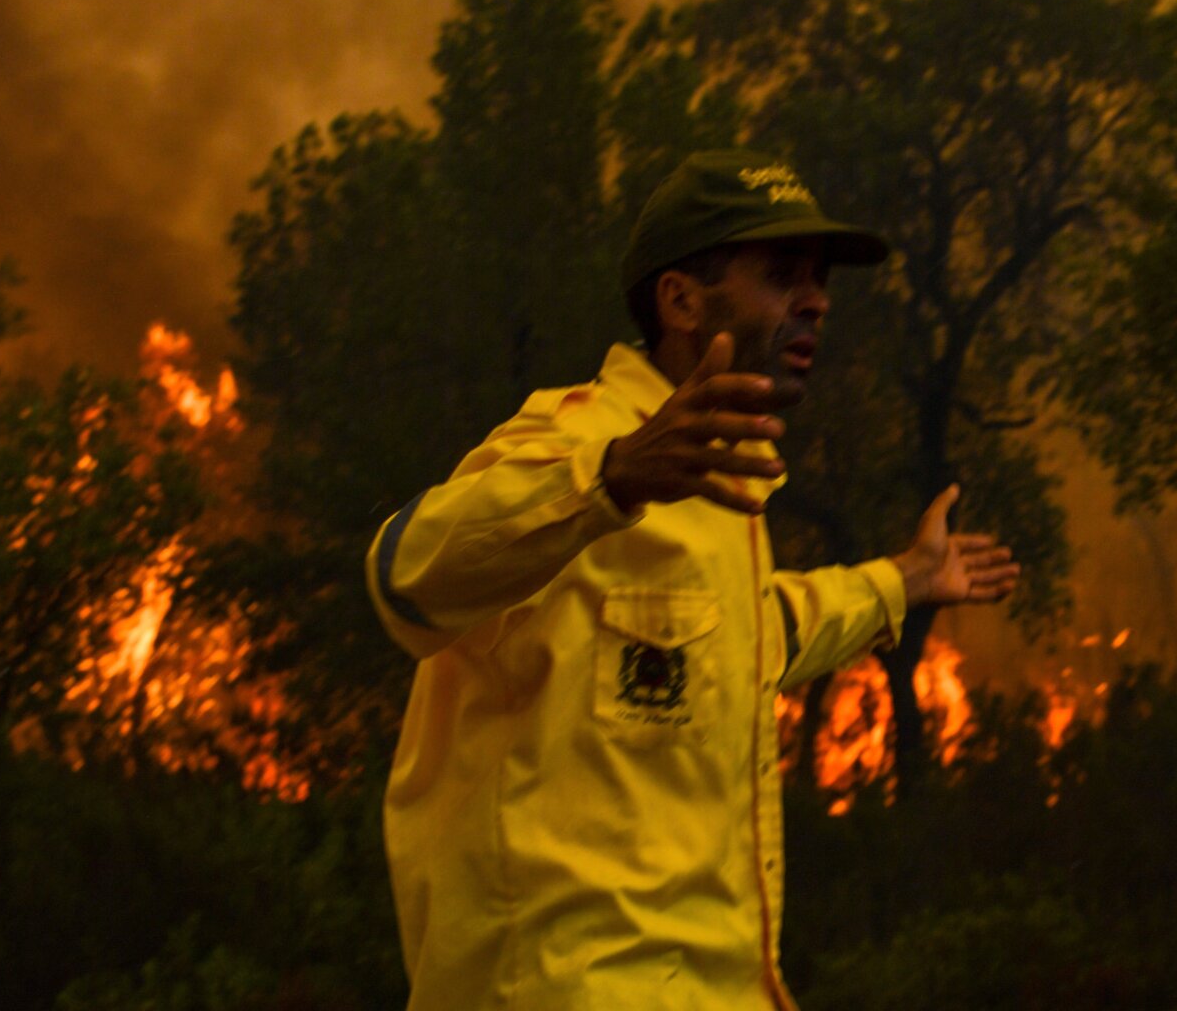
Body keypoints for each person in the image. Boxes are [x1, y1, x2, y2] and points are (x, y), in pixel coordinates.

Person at [366, 149, 1021, 1009]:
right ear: (679, 300)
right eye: (782, 275)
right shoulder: (577, 440)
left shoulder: (717, 480)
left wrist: (902, 580)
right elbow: (403, 576)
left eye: (820, 280)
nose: (816, 300)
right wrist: (609, 480)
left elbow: (747, 634)